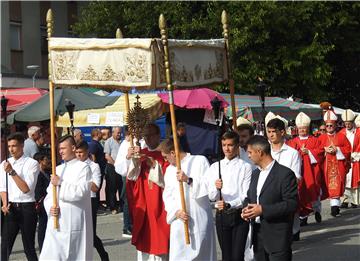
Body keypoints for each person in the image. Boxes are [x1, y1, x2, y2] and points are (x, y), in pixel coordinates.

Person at [241, 135, 298, 261]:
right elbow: (250, 197)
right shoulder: (255, 173)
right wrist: (246, 209)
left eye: (250, 152)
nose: (248, 156)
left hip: (277, 236)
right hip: (258, 235)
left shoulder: (285, 174)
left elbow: (291, 204)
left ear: (259, 152)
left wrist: (263, 210)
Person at [160, 138, 216, 260]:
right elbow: (167, 195)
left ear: (173, 153)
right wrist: (176, 211)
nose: (165, 160)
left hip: (199, 216)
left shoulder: (200, 161)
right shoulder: (169, 170)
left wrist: (188, 180)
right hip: (180, 220)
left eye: (165, 157)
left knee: (202, 255)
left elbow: (209, 187)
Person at [39, 135, 93, 260]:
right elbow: (49, 195)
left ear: (73, 148)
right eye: (59, 149)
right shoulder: (57, 169)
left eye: (63, 148)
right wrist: (50, 208)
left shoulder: (83, 168)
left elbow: (81, 192)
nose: (60, 151)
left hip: (75, 222)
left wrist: (61, 183)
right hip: (56, 223)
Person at [124, 123, 170, 260]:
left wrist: (154, 164)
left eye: (151, 135)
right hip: (143, 199)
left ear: (158, 135)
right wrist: (131, 160)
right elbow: (129, 177)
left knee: (161, 236)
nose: (148, 138)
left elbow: (169, 176)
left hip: (160, 201)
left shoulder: (164, 153)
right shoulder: (140, 152)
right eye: (146, 136)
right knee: (146, 237)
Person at [206, 131, 252, 261]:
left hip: (239, 214)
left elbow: (245, 194)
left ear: (237, 146)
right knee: (226, 256)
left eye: (230, 145)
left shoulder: (245, 167)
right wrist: (216, 187)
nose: (227, 148)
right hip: (222, 215)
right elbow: (211, 195)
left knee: (237, 256)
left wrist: (230, 203)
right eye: (224, 145)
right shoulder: (215, 167)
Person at [0, 132, 39, 261]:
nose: (11, 149)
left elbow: (26, 189)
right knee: (5, 246)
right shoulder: (5, 164)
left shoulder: (32, 163)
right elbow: (3, 187)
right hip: (11, 207)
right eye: (9, 146)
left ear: (22, 146)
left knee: (28, 247)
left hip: (27, 207)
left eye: (14, 146)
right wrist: (5, 204)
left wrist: (12, 172)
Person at [266, 117, 302, 241]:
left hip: (285, 195)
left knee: (286, 233)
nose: (271, 135)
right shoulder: (265, 152)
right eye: (269, 132)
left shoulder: (292, 153)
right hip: (268, 195)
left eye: (273, 131)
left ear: (282, 132)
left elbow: (296, 176)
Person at [287, 112, 324, 226]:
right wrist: (298, 153)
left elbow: (321, 152)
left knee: (312, 191)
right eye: (300, 129)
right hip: (298, 172)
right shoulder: (292, 142)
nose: (302, 130)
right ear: (297, 129)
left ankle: (317, 211)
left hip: (311, 172)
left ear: (308, 128)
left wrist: (309, 152)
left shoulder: (315, 140)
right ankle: (303, 217)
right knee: (300, 193)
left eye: (304, 128)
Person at [75, 140, 109, 261]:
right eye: (76, 152)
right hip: (77, 199)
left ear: (87, 152)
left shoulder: (94, 166)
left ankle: (103, 255)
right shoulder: (72, 166)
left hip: (90, 200)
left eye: (81, 152)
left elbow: (95, 187)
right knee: (78, 232)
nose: (78, 155)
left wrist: (83, 179)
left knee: (91, 234)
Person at [317, 110, 351, 217]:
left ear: (335, 125)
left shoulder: (341, 136)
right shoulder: (321, 138)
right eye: (327, 125)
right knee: (329, 186)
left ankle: (335, 208)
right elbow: (317, 150)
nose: (329, 127)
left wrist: (337, 150)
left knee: (337, 185)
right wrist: (324, 150)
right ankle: (334, 208)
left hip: (338, 165)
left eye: (331, 125)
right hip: (326, 166)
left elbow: (348, 149)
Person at [114, 130, 136, 238]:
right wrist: (128, 156)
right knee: (127, 200)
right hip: (127, 175)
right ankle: (127, 226)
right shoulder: (125, 144)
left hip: (140, 175)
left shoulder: (143, 141)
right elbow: (119, 165)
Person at [339, 109, 359, 208]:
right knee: (345, 179)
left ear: (353, 122)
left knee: (355, 180)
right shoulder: (341, 133)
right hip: (345, 159)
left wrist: (355, 155)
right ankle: (345, 200)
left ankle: (355, 201)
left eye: (349, 123)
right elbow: (339, 146)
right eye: (345, 123)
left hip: (356, 159)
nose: (347, 125)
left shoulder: (358, 132)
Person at [33, 152, 51, 252]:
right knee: (43, 226)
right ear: (40, 161)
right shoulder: (37, 174)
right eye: (45, 159)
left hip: (49, 203)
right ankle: (42, 248)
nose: (48, 161)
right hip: (42, 203)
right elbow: (38, 191)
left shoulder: (48, 172)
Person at [104, 126, 123, 214]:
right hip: (112, 166)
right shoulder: (109, 141)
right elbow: (107, 156)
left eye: (120, 132)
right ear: (113, 133)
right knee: (112, 188)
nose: (119, 134)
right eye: (118, 133)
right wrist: (115, 164)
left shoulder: (122, 141)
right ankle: (112, 207)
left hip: (121, 167)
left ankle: (122, 206)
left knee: (121, 187)